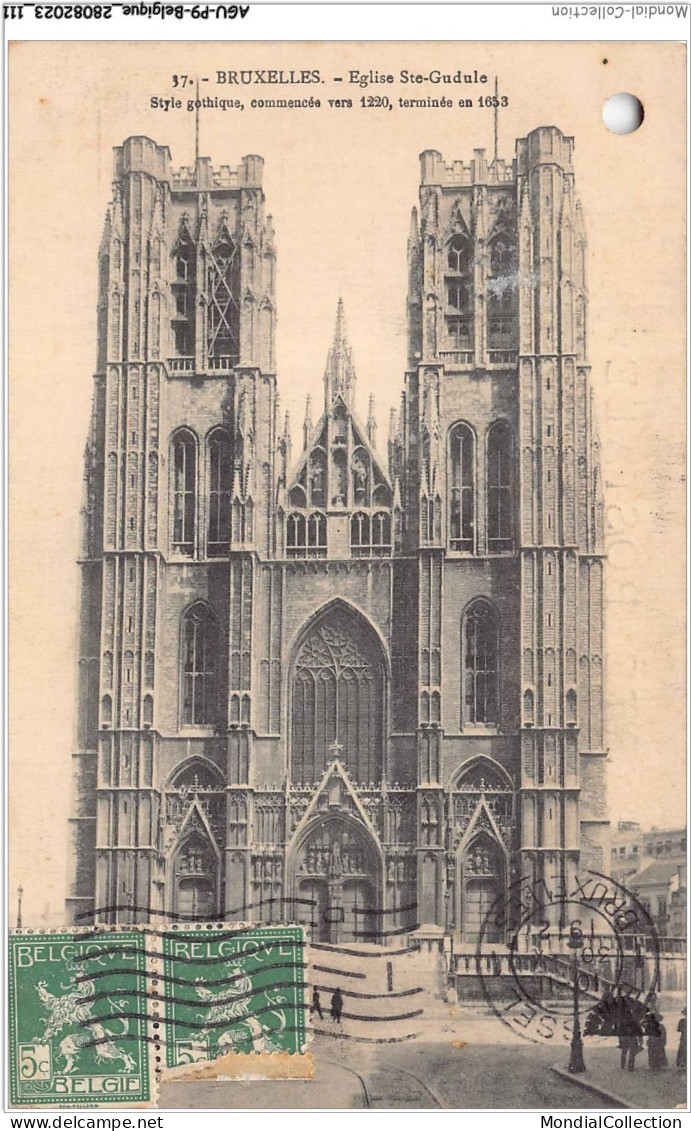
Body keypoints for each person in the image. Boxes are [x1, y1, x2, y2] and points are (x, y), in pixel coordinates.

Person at [618, 995, 643, 1071]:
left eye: (630, 1003)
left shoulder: (635, 1013)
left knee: (632, 1051)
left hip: (632, 1035)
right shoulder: (623, 1014)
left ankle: (630, 1066)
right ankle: (623, 1065)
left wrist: (640, 1037)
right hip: (626, 1034)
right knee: (625, 1051)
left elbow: (637, 1025)